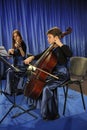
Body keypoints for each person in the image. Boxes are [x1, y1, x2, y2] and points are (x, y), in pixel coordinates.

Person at [24, 27, 72, 120]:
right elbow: (41, 55)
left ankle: (51, 113)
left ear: (56, 38)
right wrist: (32, 57)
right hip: (53, 73)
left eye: (49, 37)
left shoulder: (63, 47)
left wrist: (60, 44)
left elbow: (69, 54)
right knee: (41, 83)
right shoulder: (51, 48)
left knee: (47, 88)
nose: (47, 39)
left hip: (62, 75)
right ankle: (39, 105)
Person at [5, 29, 27, 95]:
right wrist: (9, 52)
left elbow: (23, 55)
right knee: (8, 72)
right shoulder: (14, 45)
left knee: (10, 72)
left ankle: (15, 90)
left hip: (22, 66)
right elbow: (8, 57)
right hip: (15, 65)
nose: (15, 38)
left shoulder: (23, 43)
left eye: (17, 36)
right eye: (14, 37)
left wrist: (19, 48)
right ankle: (9, 91)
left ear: (20, 36)